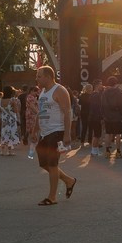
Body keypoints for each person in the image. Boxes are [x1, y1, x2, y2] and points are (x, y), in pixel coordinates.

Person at [33, 65, 76, 205]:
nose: (37, 79)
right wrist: (34, 130)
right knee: (44, 163)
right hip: (45, 133)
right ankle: (69, 180)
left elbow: (68, 112)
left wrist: (67, 134)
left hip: (57, 131)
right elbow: (41, 112)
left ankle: (52, 197)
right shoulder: (43, 92)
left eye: (39, 76)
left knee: (52, 164)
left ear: (48, 76)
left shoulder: (59, 90)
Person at [0, 89, 20, 155]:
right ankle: (9, 151)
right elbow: (16, 110)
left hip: (4, 119)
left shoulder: (0, 100)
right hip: (11, 119)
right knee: (11, 134)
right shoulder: (12, 100)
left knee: (4, 133)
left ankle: (2, 150)